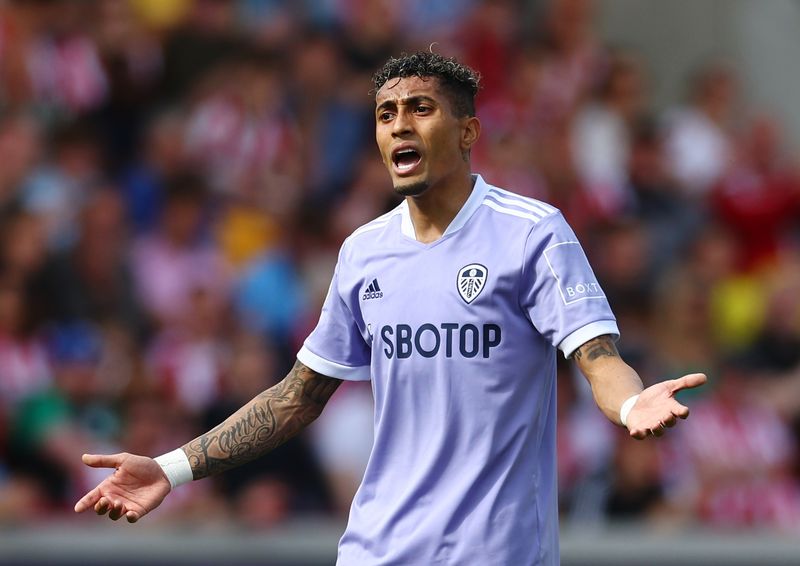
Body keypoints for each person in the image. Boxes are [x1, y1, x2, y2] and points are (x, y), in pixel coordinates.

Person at [74, 52, 706, 565]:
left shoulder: (532, 233)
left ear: (467, 132)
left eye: (419, 109)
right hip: (378, 552)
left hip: (496, 556)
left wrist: (629, 404)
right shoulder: (364, 252)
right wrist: (170, 467)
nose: (399, 124)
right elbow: (298, 396)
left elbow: (597, 358)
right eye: (385, 113)